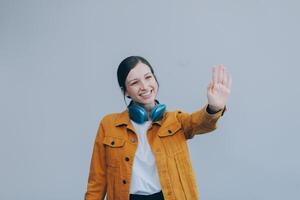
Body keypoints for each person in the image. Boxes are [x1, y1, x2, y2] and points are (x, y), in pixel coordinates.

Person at [84, 56, 232, 200]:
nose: (144, 86)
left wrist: (214, 107)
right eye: (135, 82)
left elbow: (200, 122)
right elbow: (97, 181)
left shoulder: (176, 120)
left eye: (148, 77)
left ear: (155, 79)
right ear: (125, 91)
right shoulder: (109, 125)